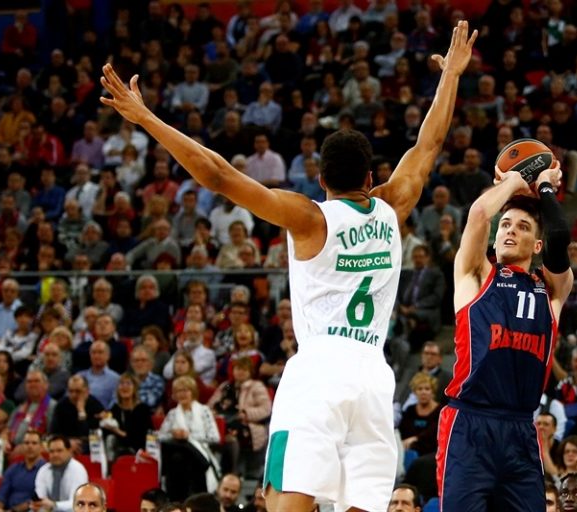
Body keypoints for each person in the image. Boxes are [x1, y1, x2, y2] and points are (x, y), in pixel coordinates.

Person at [101, 21, 477, 512]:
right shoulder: (393, 206)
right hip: (373, 376)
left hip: (320, 370)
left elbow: (217, 173)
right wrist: (450, 75)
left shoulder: (309, 218)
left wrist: (146, 117)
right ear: (370, 176)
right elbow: (427, 147)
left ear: (320, 179)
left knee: (287, 502)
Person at [436, 152, 572, 510]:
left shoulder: (553, 290)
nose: (511, 230)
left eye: (523, 227)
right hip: (469, 422)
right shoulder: (476, 275)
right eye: (507, 224)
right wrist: (513, 181)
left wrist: (544, 186)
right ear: (495, 240)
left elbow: (560, 235)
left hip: (519, 428)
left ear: (537, 246)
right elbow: (480, 214)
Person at [0, 429, 46, 512]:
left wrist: (13, 511)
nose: (30, 446)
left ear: (41, 447)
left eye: (34, 443)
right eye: (26, 443)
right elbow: (1, 494)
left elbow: (38, 500)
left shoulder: (46, 470)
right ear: (22, 446)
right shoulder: (13, 468)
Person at [32, 435, 88, 512]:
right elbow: (41, 498)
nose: (55, 455)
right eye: (52, 451)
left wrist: (54, 505)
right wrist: (38, 505)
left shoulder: (78, 470)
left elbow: (77, 503)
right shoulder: (43, 470)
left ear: (69, 451)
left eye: (59, 451)